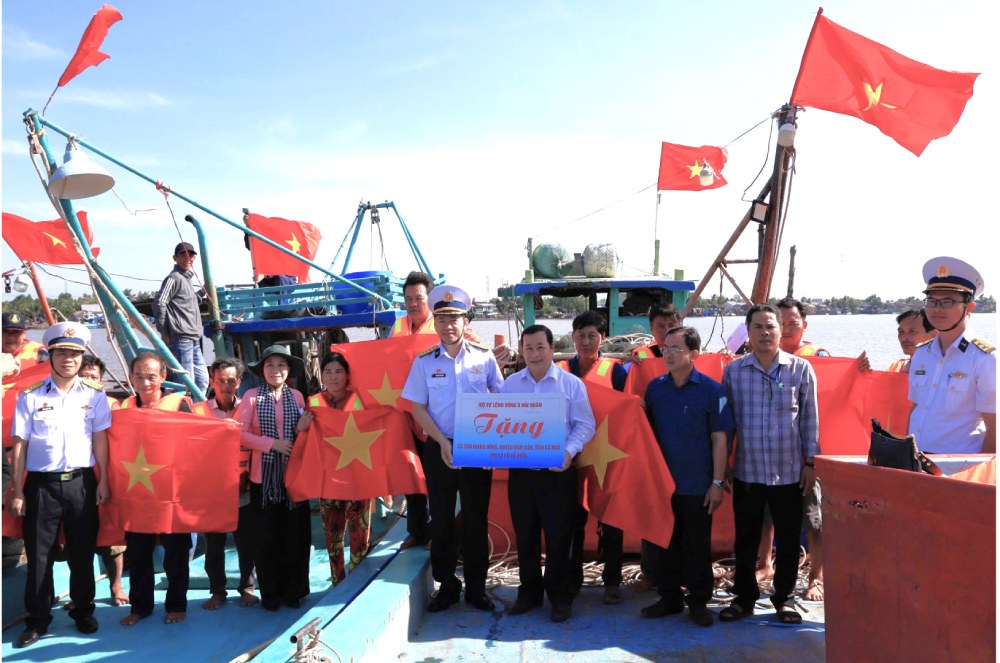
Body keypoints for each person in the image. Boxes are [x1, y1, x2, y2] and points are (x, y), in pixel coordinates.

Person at [401, 285, 504, 613]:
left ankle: (477, 588)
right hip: (439, 446)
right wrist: (443, 443)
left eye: (455, 318)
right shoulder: (424, 363)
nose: (449, 325)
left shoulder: (484, 358)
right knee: (442, 519)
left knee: (476, 519)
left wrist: (490, 447)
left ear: (465, 320)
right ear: (436, 322)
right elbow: (417, 408)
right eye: (442, 319)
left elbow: (500, 401)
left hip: (478, 449)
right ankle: (447, 585)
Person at [9, 322, 110, 648]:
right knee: (39, 555)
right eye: (62, 353)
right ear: (50, 356)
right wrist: (18, 490)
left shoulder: (95, 396)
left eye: (75, 354)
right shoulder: (30, 396)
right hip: (41, 486)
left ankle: (83, 612)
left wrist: (104, 480)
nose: (69, 359)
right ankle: (38, 619)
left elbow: (100, 441)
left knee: (83, 552)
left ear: (82, 358)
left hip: (82, 483)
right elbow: (20, 445)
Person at [719, 303, 819, 625]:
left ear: (781, 331)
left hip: (789, 472)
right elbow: (727, 423)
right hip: (748, 471)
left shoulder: (801, 369)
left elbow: (810, 421)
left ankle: (784, 599)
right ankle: (744, 597)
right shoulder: (734, 371)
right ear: (747, 333)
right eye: (758, 327)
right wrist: (724, 465)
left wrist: (810, 463)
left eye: (771, 326)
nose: (765, 332)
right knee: (745, 541)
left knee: (788, 541)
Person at [503, 324, 596, 623]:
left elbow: (585, 424)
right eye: (528, 348)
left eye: (540, 347)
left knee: (560, 539)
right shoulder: (511, 385)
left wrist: (569, 452)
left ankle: (560, 597)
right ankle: (529, 593)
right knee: (526, 535)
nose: (534, 353)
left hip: (557, 472)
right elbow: (499, 424)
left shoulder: (571, 385)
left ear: (552, 348)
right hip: (521, 474)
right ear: (521, 351)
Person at [641, 326, 734, 627]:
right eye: (665, 348)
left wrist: (717, 483)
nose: (668, 354)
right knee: (664, 544)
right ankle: (669, 598)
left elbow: (720, 439)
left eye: (675, 349)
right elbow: (643, 432)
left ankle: (698, 602)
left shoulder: (712, 390)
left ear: (693, 355)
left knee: (696, 545)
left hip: (697, 484)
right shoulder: (655, 389)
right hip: (662, 484)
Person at [118, 352, 197, 626]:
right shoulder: (122, 408)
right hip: (137, 490)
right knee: (138, 552)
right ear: (131, 378)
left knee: (176, 553)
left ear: (163, 377)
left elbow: (197, 443)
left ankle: (176, 605)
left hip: (172, 492)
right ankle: (140, 607)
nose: (145, 381)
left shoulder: (180, 405)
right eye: (138, 375)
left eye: (151, 376)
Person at [557, 311, 628, 605]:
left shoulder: (616, 371)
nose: (586, 342)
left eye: (592, 336)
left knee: (612, 520)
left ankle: (612, 581)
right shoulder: (558, 369)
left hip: (606, 458)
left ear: (603, 338)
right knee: (571, 521)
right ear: (573, 337)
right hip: (569, 459)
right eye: (580, 335)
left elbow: (629, 411)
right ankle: (571, 581)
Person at [235, 345, 311, 611]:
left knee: (295, 536)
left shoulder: (299, 397)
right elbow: (239, 433)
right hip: (263, 481)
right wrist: (271, 444)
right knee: (267, 539)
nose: (275, 370)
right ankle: (271, 594)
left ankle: (295, 592)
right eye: (270, 365)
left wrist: (300, 430)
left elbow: (304, 435)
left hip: (293, 478)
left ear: (288, 370)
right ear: (262, 371)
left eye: (281, 365)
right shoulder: (252, 398)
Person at [296, 352, 375, 586]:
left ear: (347, 375)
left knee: (360, 534)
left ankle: (359, 582)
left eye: (338, 371)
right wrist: (300, 427)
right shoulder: (314, 402)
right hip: (328, 479)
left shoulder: (359, 400)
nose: (333, 377)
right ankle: (337, 583)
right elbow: (305, 439)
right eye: (328, 371)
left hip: (358, 477)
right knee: (333, 535)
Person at [908, 257, 995, 454]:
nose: (937, 308)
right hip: (917, 463)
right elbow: (916, 409)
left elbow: (994, 428)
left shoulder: (985, 359)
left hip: (959, 469)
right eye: (932, 301)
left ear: (969, 307)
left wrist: (977, 476)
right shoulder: (921, 354)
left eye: (947, 301)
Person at [623, 303, 682, 592]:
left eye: (673, 324)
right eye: (661, 326)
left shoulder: (695, 354)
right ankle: (651, 573)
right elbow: (629, 400)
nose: (667, 330)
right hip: (651, 445)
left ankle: (684, 573)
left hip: (684, 446)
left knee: (685, 511)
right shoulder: (640, 359)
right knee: (652, 510)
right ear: (651, 328)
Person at [202, 357, 259, 610]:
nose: (226, 386)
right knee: (213, 545)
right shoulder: (196, 411)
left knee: (246, 542)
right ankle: (217, 591)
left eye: (231, 381)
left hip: (243, 487)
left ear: (240, 382)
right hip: (211, 492)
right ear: (212, 381)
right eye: (221, 380)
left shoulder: (249, 409)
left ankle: (247, 587)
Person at [75, 355, 128, 608]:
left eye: (93, 377)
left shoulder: (114, 406)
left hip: (107, 473)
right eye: (82, 376)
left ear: (102, 379)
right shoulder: (63, 402)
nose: (88, 381)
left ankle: (116, 584)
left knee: (112, 533)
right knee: (77, 534)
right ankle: (81, 593)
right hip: (76, 475)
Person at [393, 272, 434, 550]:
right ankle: (416, 530)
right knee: (411, 474)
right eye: (408, 298)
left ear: (428, 298)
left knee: (437, 478)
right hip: (404, 415)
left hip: (434, 415)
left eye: (418, 298)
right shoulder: (397, 326)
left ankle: (437, 532)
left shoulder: (441, 325)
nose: (413, 303)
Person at [153, 241, 209, 393]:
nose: (187, 258)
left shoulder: (187, 280)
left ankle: (196, 411)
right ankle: (184, 413)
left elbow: (189, 301)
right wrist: (164, 331)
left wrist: (205, 291)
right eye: (183, 254)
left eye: (191, 255)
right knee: (186, 383)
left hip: (194, 338)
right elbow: (159, 303)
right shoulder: (175, 278)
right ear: (175, 258)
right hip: (181, 338)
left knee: (202, 380)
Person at [3, 311, 49, 377]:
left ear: (24, 334)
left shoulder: (40, 354)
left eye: (16, 332)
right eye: (5, 332)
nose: (11, 337)